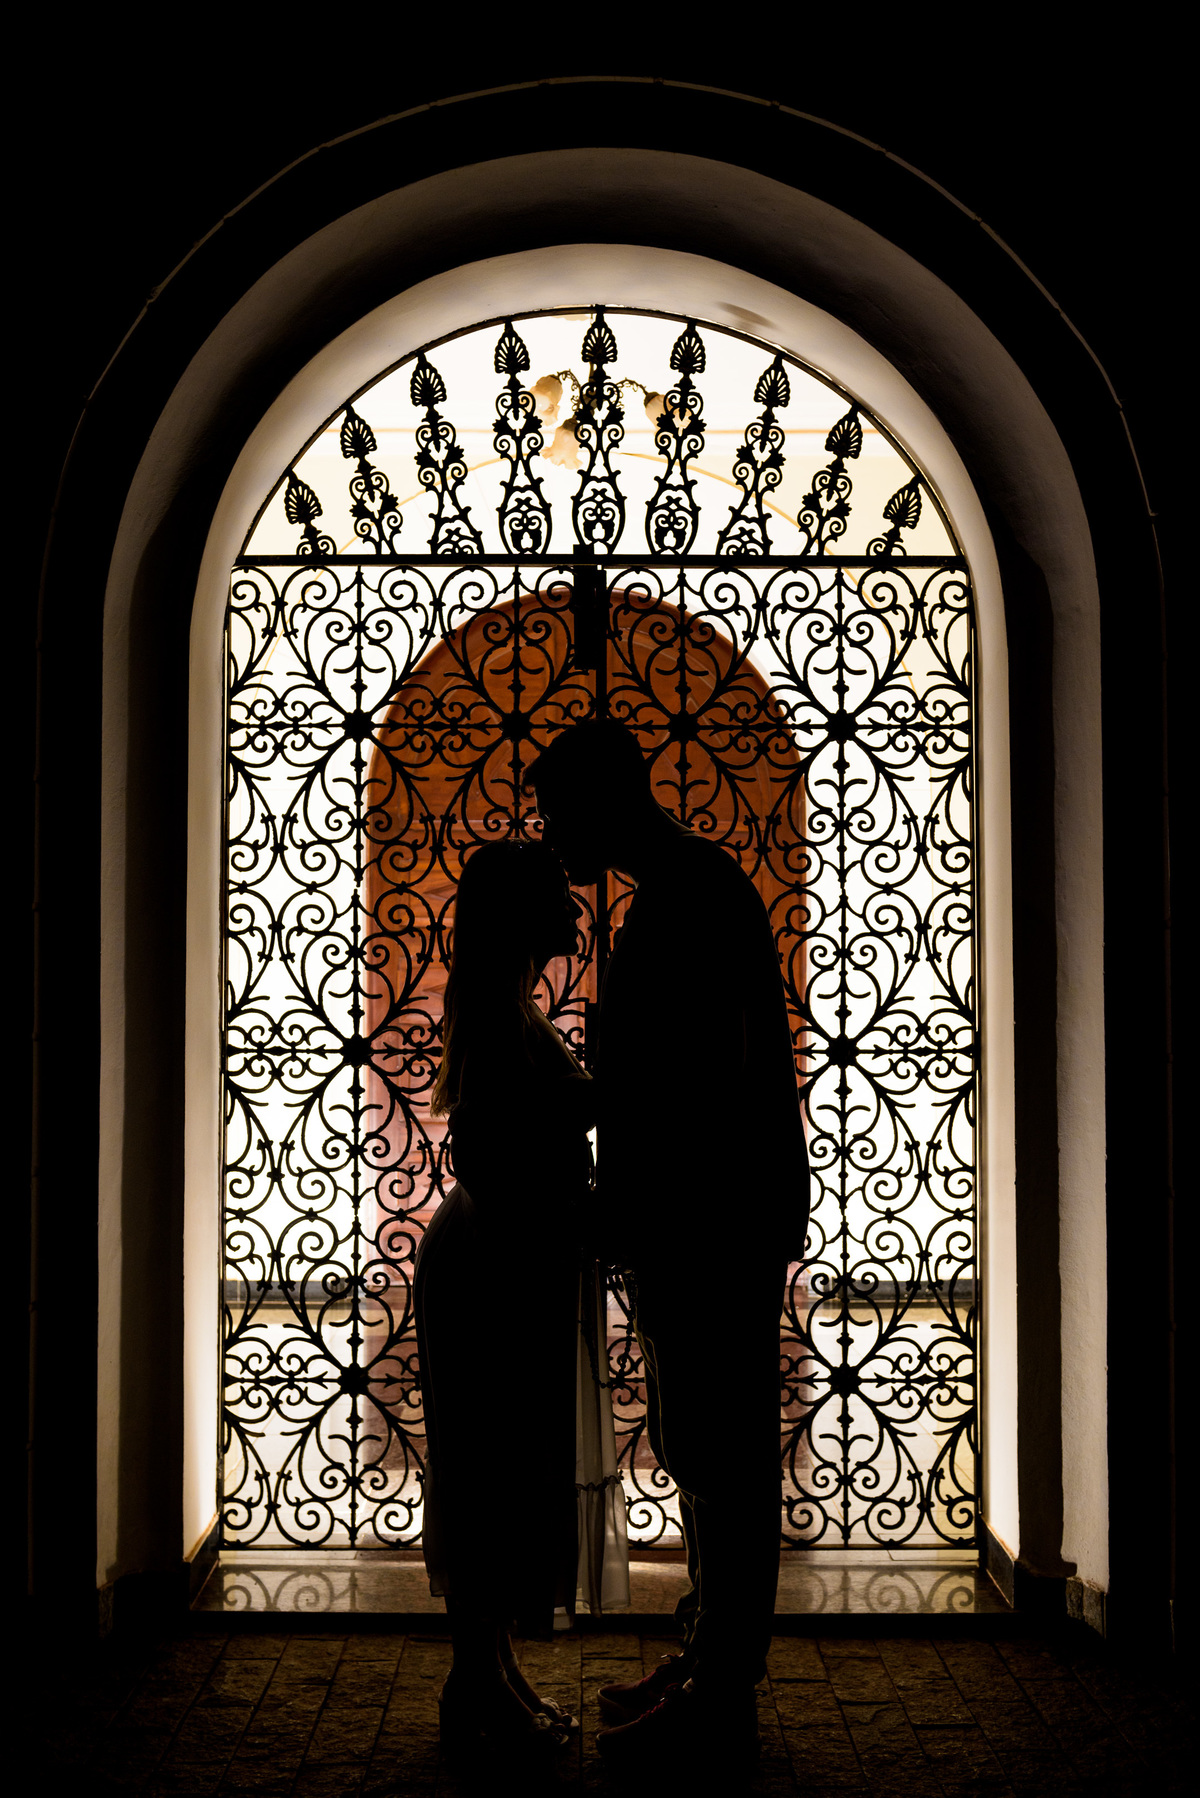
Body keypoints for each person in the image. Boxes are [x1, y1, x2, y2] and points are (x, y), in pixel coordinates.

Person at [526, 719, 810, 1770]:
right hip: (699, 1213)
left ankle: (723, 1685)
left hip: (709, 1217)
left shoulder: (690, 895)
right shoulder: (683, 887)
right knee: (702, 1442)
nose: (552, 837)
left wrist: (608, 1137)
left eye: (558, 814)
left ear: (604, 801)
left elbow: (699, 1081)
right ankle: (706, 1651)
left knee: (721, 1447)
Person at [415, 840, 595, 1758]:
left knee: (501, 1465)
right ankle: (474, 1687)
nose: (575, 910)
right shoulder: (497, 1011)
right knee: (489, 1470)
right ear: (521, 914)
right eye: (557, 896)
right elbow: (486, 1152)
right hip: (494, 1265)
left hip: (499, 1257)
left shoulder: (509, 1004)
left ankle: (492, 1674)